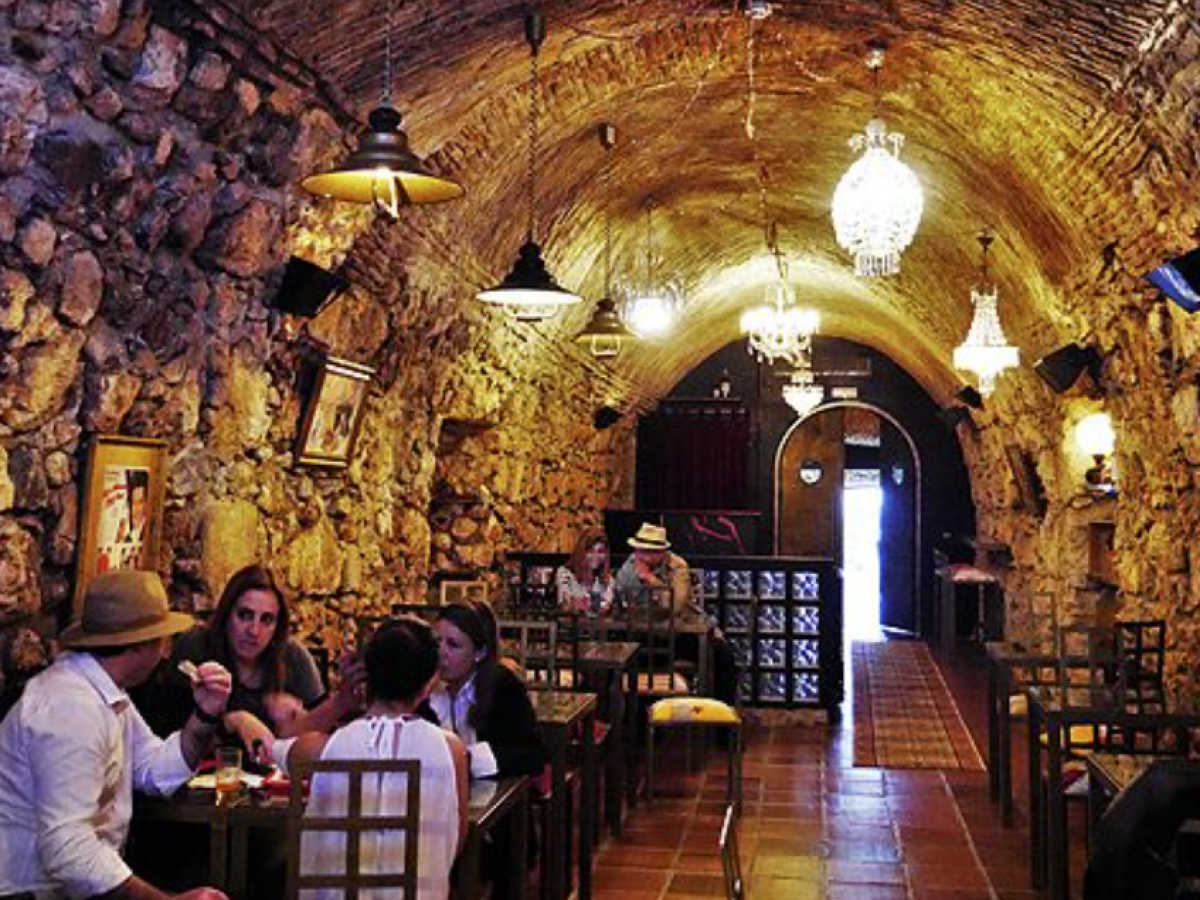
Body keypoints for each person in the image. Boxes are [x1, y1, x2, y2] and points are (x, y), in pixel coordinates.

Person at [0, 570, 233, 900]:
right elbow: (69, 851)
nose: (167, 651)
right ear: (144, 645)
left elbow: (154, 770)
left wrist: (206, 715)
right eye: (164, 638)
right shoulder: (71, 708)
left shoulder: (105, 690)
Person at [277, 616, 468, 900]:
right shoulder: (451, 750)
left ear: (368, 674)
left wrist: (341, 700)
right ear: (429, 682)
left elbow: (277, 745)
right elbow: (456, 839)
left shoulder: (322, 750)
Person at [138, 565, 362, 767]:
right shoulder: (197, 647)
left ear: (277, 627)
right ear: (226, 616)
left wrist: (334, 705)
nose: (254, 631)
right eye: (244, 615)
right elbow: (172, 738)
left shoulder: (292, 657)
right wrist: (234, 721)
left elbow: (313, 744)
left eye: (266, 620)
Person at [614, 522, 739, 704]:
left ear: (662, 552)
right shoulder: (629, 567)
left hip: (681, 632)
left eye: (650, 551)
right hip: (645, 636)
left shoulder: (678, 566)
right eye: (640, 550)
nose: (643, 556)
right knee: (618, 659)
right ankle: (629, 724)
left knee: (722, 655)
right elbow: (621, 596)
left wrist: (650, 580)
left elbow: (676, 607)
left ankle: (719, 720)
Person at [423, 599, 547, 780]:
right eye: (437, 643)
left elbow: (532, 755)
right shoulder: (425, 685)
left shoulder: (503, 686)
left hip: (488, 794)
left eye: (453, 645)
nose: (441, 653)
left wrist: (469, 760)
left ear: (479, 653)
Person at [555, 527, 615, 616]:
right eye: (590, 551)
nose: (595, 556)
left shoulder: (608, 580)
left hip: (599, 627)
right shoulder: (565, 573)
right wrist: (575, 605)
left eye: (600, 551)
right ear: (581, 552)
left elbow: (605, 607)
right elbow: (565, 605)